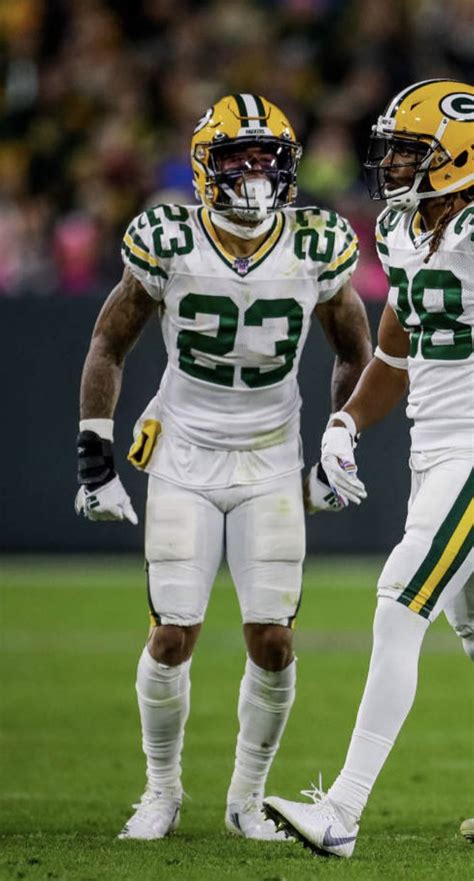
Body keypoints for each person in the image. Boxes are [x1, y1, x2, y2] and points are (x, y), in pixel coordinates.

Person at [75, 93, 372, 841]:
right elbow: (110, 342)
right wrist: (94, 453)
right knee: (173, 633)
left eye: (267, 159)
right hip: (182, 453)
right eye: (237, 159)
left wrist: (342, 434)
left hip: (271, 458)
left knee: (272, 640)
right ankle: (160, 790)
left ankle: (247, 799)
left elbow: (355, 353)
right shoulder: (169, 238)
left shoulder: (317, 245)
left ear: (290, 168)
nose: (254, 174)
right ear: (206, 169)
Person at [264, 78, 474, 857]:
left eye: (412, 151)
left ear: (456, 156)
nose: (392, 164)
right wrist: (348, 418)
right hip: (437, 446)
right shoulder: (402, 228)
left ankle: (342, 812)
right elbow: (398, 341)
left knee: (399, 600)